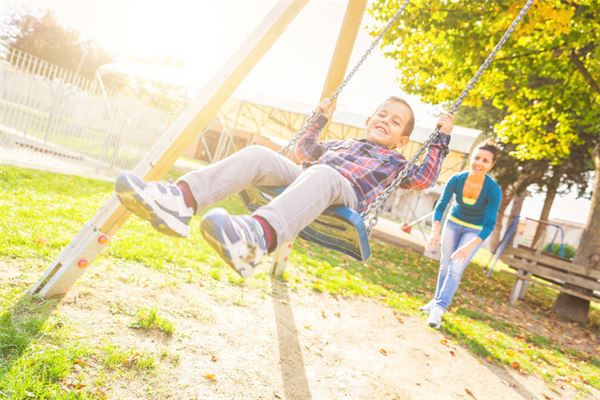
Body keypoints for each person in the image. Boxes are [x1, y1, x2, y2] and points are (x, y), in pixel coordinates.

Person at [115, 97, 455, 277]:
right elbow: (304, 152)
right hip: (313, 180)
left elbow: (424, 178)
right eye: (381, 114)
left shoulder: (396, 163)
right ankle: (181, 201)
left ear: (403, 139)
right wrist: (319, 119)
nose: (385, 121)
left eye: (395, 122)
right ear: (368, 120)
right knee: (260, 154)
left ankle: (255, 240)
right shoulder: (341, 145)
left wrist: (441, 137)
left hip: (346, 198)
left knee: (324, 175)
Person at [421, 140, 502, 328]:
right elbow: (441, 206)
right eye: (477, 158)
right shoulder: (457, 179)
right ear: (472, 158)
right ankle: (435, 301)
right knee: (444, 265)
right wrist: (435, 232)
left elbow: (490, 224)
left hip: (474, 231)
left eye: (485, 161)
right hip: (453, 223)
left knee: (456, 268)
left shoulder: (493, 190)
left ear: (492, 165)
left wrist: (469, 246)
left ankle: (439, 309)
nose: (479, 163)